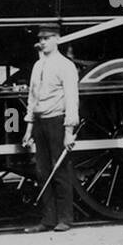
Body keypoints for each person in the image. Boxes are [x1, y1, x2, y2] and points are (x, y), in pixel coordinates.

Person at [22, 22, 80, 232]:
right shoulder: (38, 66)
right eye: (40, 39)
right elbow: (32, 97)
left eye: (46, 38)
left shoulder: (66, 66)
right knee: (42, 171)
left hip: (57, 121)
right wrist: (29, 128)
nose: (43, 42)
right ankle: (48, 219)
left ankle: (65, 218)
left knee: (60, 170)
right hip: (39, 123)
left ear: (57, 39)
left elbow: (72, 99)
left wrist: (69, 131)